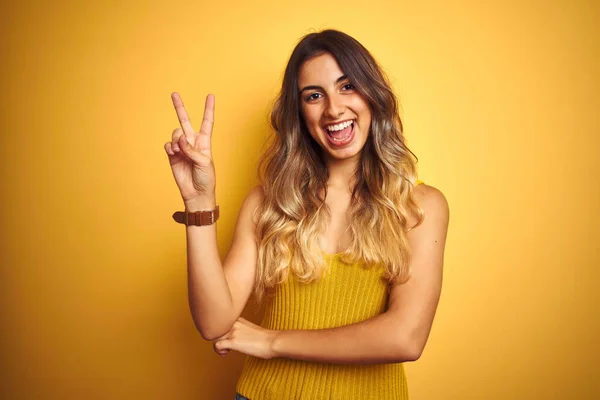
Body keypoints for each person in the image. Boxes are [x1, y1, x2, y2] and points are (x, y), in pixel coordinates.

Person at [164, 29, 449, 400]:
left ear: (372, 95)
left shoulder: (420, 205)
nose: (333, 109)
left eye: (347, 87)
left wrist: (271, 342)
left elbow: (406, 338)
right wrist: (199, 202)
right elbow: (214, 321)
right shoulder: (269, 202)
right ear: (299, 113)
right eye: (314, 96)